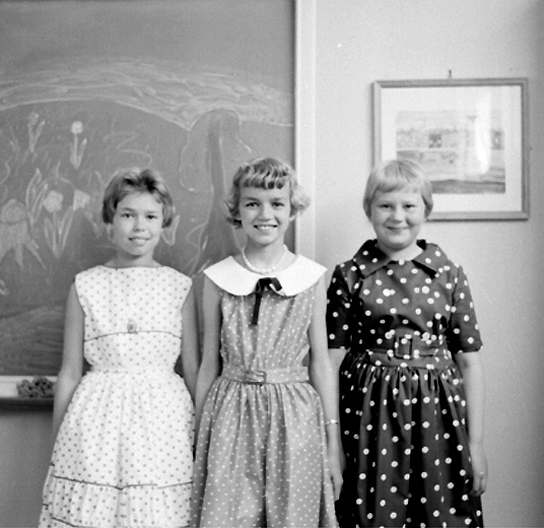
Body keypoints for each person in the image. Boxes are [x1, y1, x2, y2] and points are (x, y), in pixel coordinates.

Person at [326, 159, 487, 528]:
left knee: (441, 511)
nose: (397, 216)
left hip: (439, 415)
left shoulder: (449, 275)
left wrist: (475, 444)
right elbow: (330, 363)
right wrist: (332, 444)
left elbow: (470, 363)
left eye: (409, 206)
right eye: (385, 205)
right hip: (369, 418)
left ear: (425, 209)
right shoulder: (349, 275)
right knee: (374, 510)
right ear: (369, 209)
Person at [39, 168, 199, 528]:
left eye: (150, 216)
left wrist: (202, 435)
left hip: (163, 422)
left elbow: (191, 368)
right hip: (97, 421)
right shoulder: (85, 285)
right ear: (110, 219)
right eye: (128, 215)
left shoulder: (179, 286)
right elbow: (70, 371)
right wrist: (58, 441)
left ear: (164, 223)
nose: (139, 226)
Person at [191, 157, 343, 528]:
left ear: (292, 209)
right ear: (237, 210)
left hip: (295, 415)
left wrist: (333, 443)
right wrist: (198, 436)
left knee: (292, 516)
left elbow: (321, 365)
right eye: (252, 204)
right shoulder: (217, 278)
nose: (265, 214)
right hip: (230, 412)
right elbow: (209, 363)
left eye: (277, 204)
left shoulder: (311, 277)